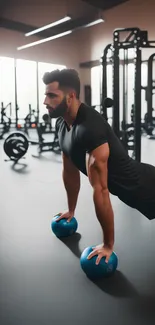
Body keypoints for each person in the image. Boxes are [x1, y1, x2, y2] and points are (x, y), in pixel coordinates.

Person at [43, 68, 155, 265]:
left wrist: (107, 245)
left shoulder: (90, 129)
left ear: (70, 97)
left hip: (146, 187)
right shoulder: (62, 124)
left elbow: (101, 190)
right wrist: (71, 210)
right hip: (132, 189)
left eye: (52, 96)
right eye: (46, 95)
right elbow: (69, 171)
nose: (45, 102)